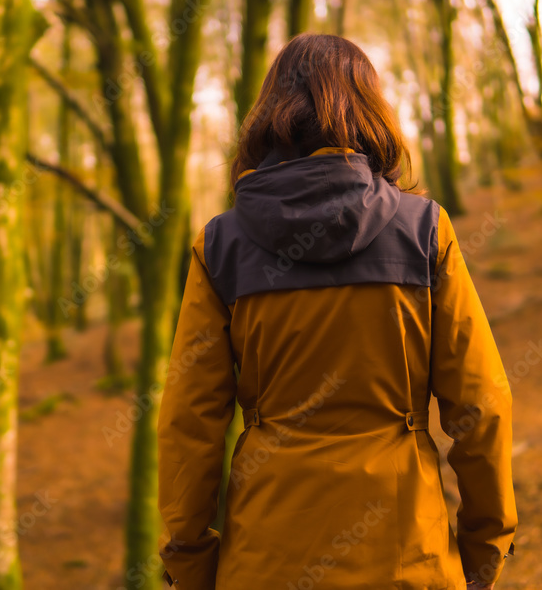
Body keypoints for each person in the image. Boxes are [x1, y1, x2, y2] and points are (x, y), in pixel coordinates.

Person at [157, 33, 516, 590]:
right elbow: (481, 405)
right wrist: (484, 548)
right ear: (370, 111)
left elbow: (189, 421)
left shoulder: (222, 246)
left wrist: (192, 562)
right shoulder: (424, 232)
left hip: (265, 562)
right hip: (407, 557)